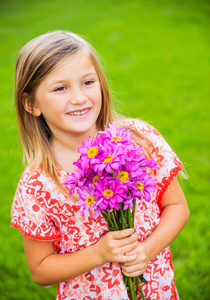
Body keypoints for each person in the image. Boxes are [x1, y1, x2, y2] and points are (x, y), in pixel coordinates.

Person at [11, 30, 190, 300]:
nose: (79, 98)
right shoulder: (38, 185)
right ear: (31, 103)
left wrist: (147, 250)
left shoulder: (138, 140)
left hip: (156, 289)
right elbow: (40, 270)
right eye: (61, 88)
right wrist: (99, 253)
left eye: (87, 82)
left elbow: (177, 207)